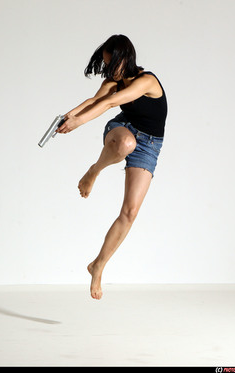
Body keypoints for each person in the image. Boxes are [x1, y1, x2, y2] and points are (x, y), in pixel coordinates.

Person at [56, 35, 168, 300]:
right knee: (126, 143)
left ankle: (98, 265)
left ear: (126, 58)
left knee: (129, 213)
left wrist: (78, 123)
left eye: (112, 63)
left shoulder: (147, 81)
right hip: (123, 131)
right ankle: (95, 170)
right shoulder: (113, 82)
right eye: (106, 65)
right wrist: (69, 116)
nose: (109, 70)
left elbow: (109, 103)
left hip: (150, 145)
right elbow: (94, 101)